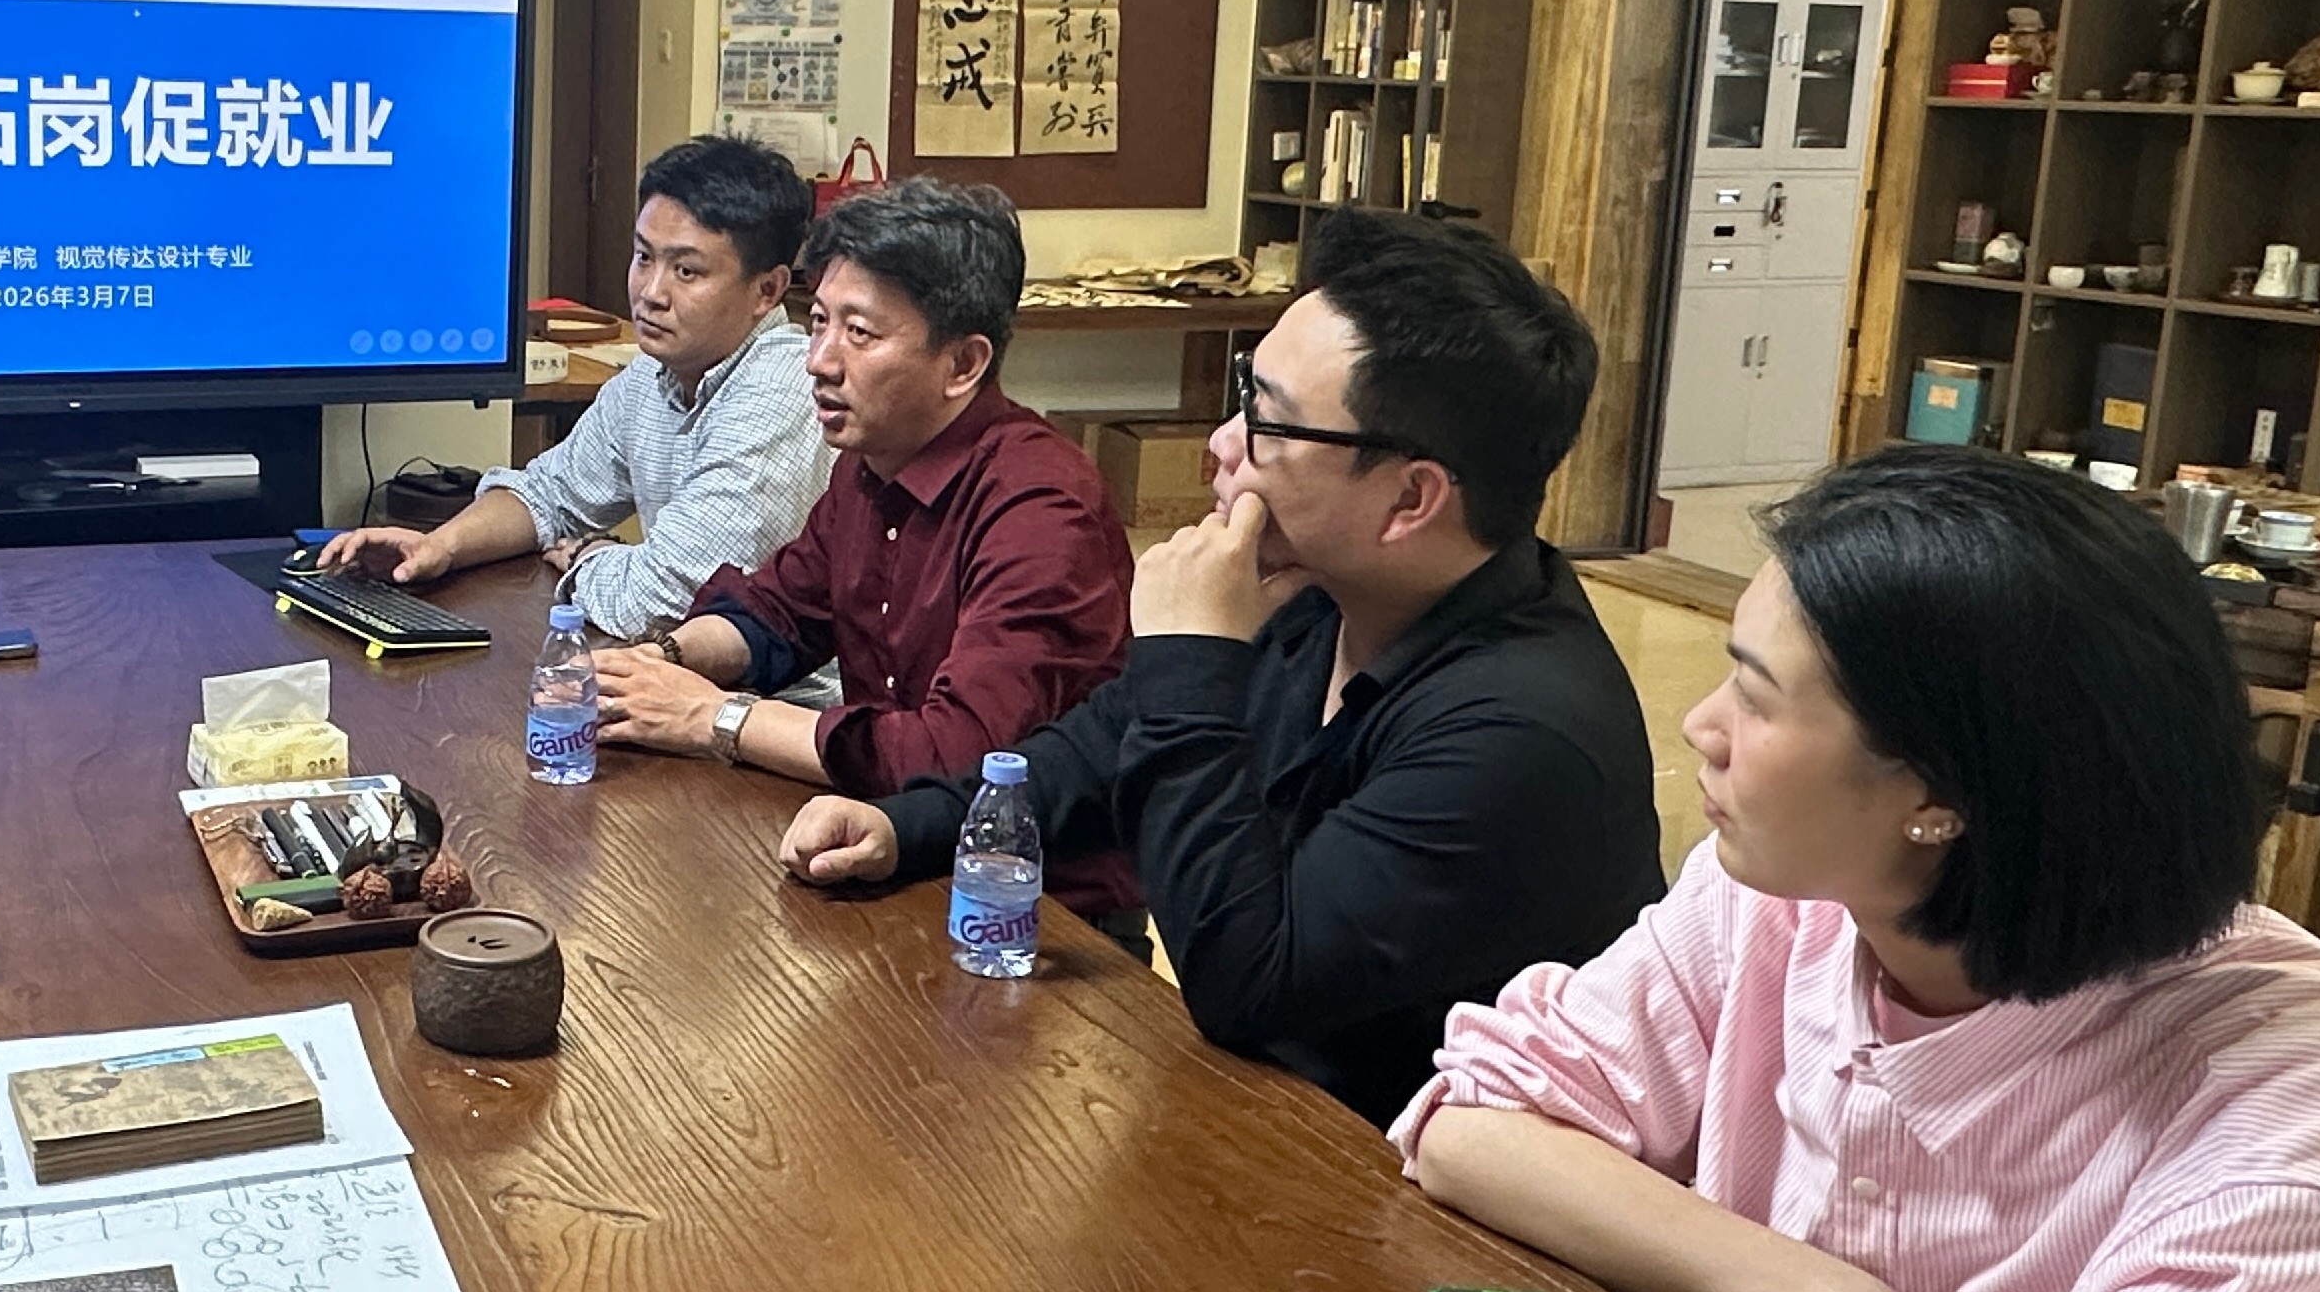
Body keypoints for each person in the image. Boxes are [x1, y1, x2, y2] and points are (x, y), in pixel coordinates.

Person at [1396, 445, 2320, 1292]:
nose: (1703, 726)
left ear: (1940, 790)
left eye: (1755, 694)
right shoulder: (1784, 906)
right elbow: (1477, 1125)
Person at [775, 207, 1656, 1119]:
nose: (1221, 445)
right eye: (1244, 394)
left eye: (1267, 422)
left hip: (1391, 1168)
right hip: (1254, 1114)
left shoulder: (1520, 729)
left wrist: (1190, 656)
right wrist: (907, 826)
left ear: (1410, 499)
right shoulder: (1326, 589)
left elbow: (1247, 982)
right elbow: (1092, 754)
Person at [591, 178, 1128, 846]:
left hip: (1025, 879)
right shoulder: (871, 461)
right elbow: (780, 613)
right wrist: (657, 662)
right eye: (819, 321)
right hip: (881, 834)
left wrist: (714, 718)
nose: (819, 361)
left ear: (963, 364)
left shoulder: (1041, 506)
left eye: (860, 333)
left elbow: (959, 754)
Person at [320, 135, 828, 641]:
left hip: (777, 688)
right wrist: (440, 546)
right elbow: (549, 494)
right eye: (643, 257)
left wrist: (587, 555)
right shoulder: (650, 378)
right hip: (675, 670)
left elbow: (662, 601)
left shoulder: (783, 390)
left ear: (767, 290)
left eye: (686, 271)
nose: (651, 293)